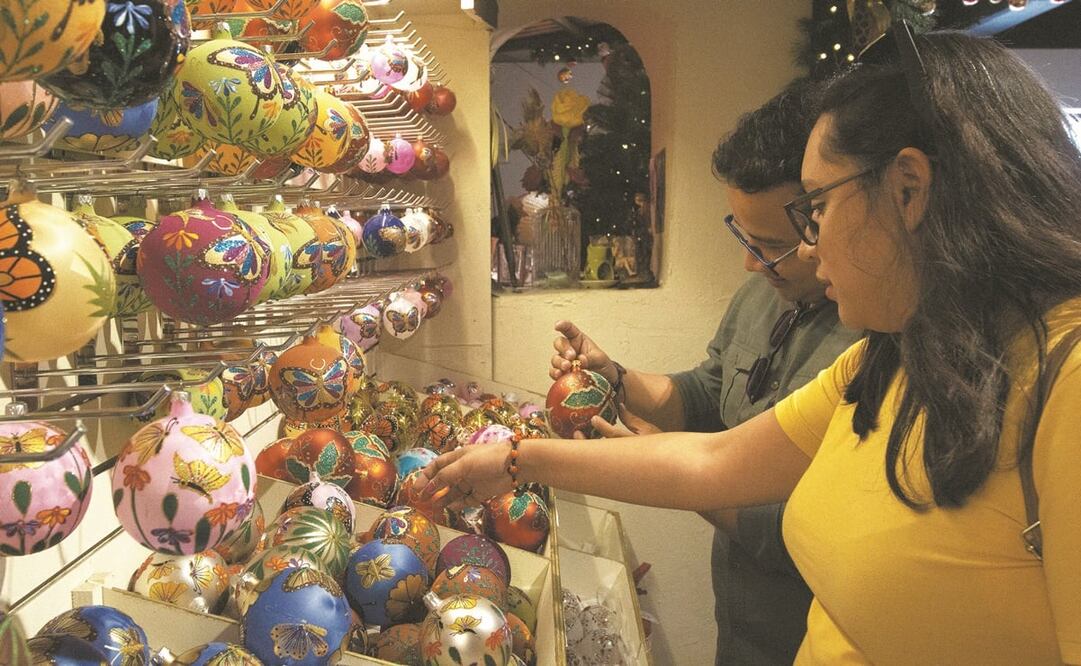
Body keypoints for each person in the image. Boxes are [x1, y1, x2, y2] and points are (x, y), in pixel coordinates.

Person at [420, 26, 1081, 665]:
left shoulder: (1064, 380)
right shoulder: (894, 354)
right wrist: (517, 460)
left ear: (908, 189)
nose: (810, 243)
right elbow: (714, 461)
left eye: (815, 207)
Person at [546, 78, 859, 665]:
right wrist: (615, 376)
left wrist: (659, 456)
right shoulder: (761, 297)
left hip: (807, 637)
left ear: (822, 218)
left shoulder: (871, 340)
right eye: (743, 234)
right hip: (740, 625)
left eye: (770, 244)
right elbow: (705, 394)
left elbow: (787, 530)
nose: (749, 261)